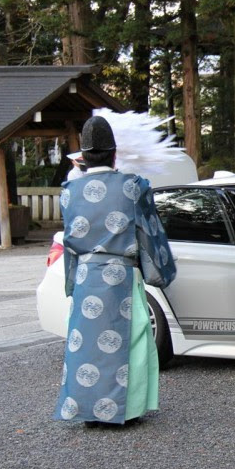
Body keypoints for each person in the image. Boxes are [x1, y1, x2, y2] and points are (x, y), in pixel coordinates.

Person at [55, 115, 176, 426]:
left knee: (85, 345)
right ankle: (127, 410)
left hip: (86, 276)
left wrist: (71, 282)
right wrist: (161, 270)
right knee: (131, 341)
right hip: (122, 274)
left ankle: (87, 410)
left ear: (83, 156)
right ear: (114, 153)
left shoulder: (68, 191)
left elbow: (69, 242)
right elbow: (150, 232)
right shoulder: (133, 187)